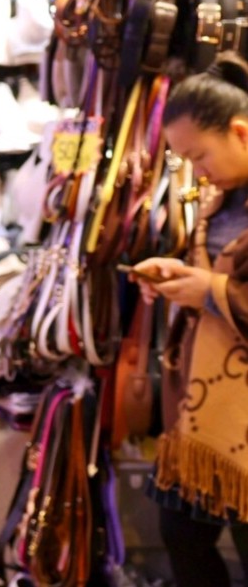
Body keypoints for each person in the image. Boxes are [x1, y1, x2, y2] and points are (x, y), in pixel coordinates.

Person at [134, 54, 248, 587]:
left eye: (199, 155)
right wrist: (178, 277)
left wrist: (209, 290)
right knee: (181, 534)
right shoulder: (220, 203)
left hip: (236, 415)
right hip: (205, 412)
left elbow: (220, 288)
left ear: (240, 133)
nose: (197, 172)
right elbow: (215, 281)